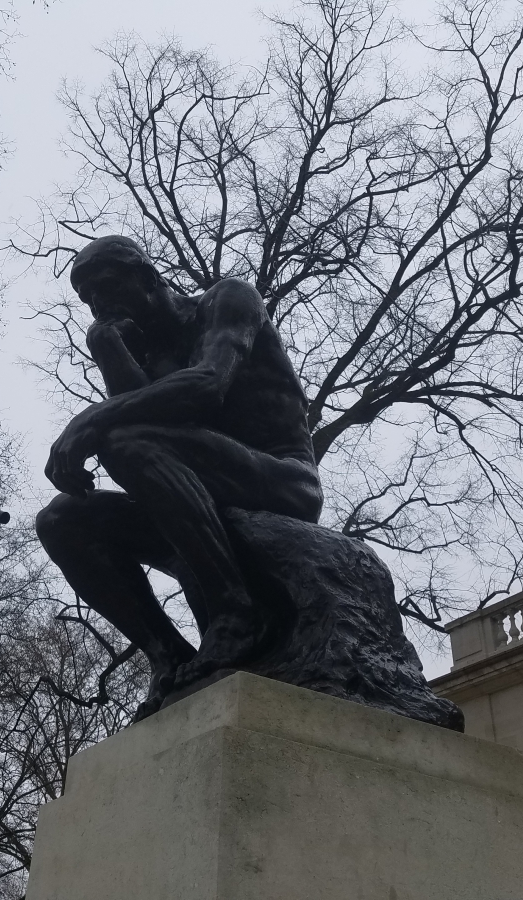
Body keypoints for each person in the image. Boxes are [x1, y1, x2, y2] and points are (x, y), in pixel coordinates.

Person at [35, 236, 323, 718]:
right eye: (88, 299)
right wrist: (106, 347)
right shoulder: (145, 352)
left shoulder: (227, 300)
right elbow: (143, 421)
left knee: (119, 438)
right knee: (61, 520)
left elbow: (208, 385)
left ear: (149, 277)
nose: (99, 304)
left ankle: (235, 612)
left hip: (282, 481)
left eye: (108, 286)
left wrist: (91, 418)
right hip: (202, 487)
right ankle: (167, 655)